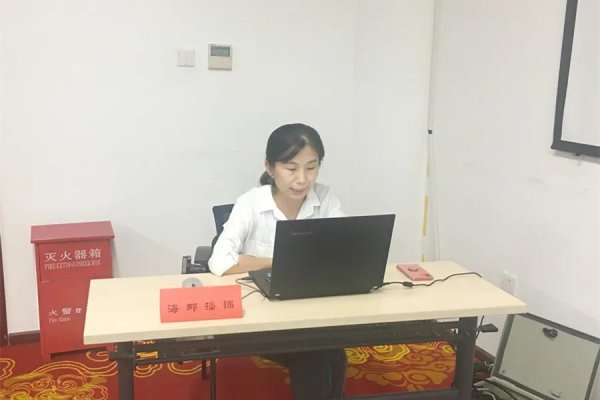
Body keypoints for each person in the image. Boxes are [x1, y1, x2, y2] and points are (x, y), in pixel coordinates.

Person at [208, 123, 347, 400]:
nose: (302, 179)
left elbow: (345, 250)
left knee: (332, 351)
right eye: (291, 168)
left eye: (311, 167)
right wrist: (279, 261)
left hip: (314, 313)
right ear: (270, 167)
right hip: (261, 320)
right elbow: (220, 261)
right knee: (317, 355)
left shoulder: (325, 199)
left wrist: (251, 261)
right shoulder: (250, 203)